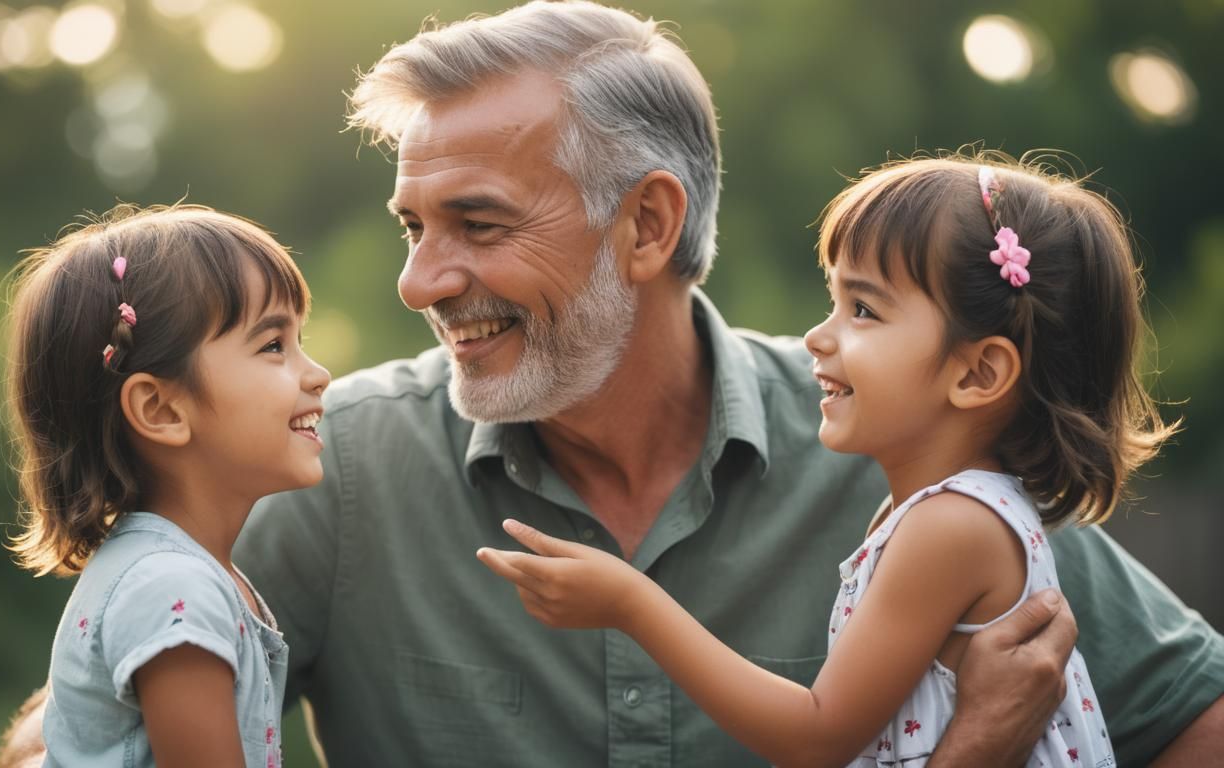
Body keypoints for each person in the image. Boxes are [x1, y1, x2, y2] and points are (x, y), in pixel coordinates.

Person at [0, 2, 1224, 766]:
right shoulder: (333, 466)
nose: (421, 282)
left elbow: (1194, 717)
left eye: (478, 223)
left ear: (647, 226)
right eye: (414, 226)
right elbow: (87, 725)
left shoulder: (915, 452)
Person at [477, 152, 1175, 766]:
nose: (818, 336)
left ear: (978, 373)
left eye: (863, 310)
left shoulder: (952, 528)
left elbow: (816, 738)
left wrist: (632, 604)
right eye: (833, 301)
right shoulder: (921, 514)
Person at [3, 204, 331, 766]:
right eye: (273, 345)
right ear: (160, 409)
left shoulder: (178, 570)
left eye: (299, 339)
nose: (318, 374)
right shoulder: (173, 586)